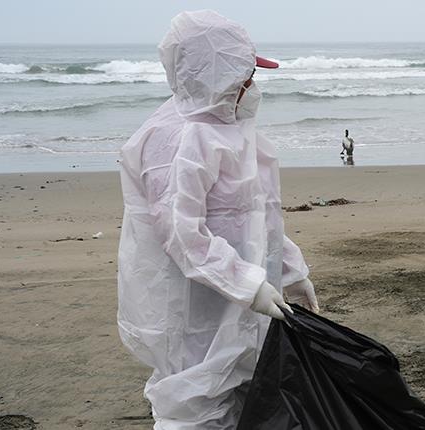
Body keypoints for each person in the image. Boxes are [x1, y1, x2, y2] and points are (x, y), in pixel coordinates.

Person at [116, 10, 320, 429]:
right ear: (217, 73)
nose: (251, 84)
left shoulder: (233, 127)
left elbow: (260, 217)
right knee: (196, 402)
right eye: (245, 73)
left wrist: (290, 272)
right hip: (195, 307)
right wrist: (248, 285)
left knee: (252, 396)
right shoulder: (177, 139)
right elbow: (182, 234)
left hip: (244, 299)